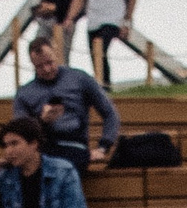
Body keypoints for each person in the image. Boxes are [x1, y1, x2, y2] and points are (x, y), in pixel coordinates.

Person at [9, 36, 118, 173]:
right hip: (43, 148)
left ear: (55, 54)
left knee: (61, 169)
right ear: (32, 64)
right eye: (39, 66)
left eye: (49, 63)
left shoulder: (79, 79)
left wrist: (103, 147)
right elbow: (20, 132)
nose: (46, 69)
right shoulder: (25, 93)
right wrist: (41, 121)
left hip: (75, 146)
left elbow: (109, 113)